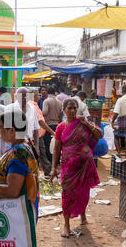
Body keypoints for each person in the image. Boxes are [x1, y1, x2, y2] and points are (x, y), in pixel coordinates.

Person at [49, 98, 103, 238]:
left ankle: (82, 214)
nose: (72, 111)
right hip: (68, 166)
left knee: (83, 192)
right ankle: (66, 225)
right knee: (67, 194)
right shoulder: (61, 127)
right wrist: (53, 168)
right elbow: (57, 149)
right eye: (69, 108)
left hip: (85, 165)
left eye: (74, 108)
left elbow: (99, 135)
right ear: (64, 110)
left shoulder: (83, 123)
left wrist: (87, 124)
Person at [28, 88, 56, 177]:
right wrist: (52, 132)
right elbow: (41, 122)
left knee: (37, 155)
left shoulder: (28, 105)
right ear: (34, 96)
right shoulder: (34, 106)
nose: (39, 97)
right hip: (37, 136)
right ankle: (45, 172)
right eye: (37, 95)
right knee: (41, 154)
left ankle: (38, 173)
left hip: (31, 135)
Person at [5, 87, 40, 154]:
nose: (24, 98)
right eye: (22, 95)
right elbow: (5, 129)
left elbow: (36, 129)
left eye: (26, 96)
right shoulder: (10, 108)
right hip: (13, 145)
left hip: (28, 144)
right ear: (16, 96)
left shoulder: (32, 109)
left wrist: (36, 146)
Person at [42, 85, 63, 164]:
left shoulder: (46, 101)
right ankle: (56, 160)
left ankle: (49, 161)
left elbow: (45, 112)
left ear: (47, 92)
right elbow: (60, 115)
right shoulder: (59, 102)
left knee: (47, 144)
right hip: (57, 125)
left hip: (48, 125)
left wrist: (38, 114)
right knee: (56, 144)